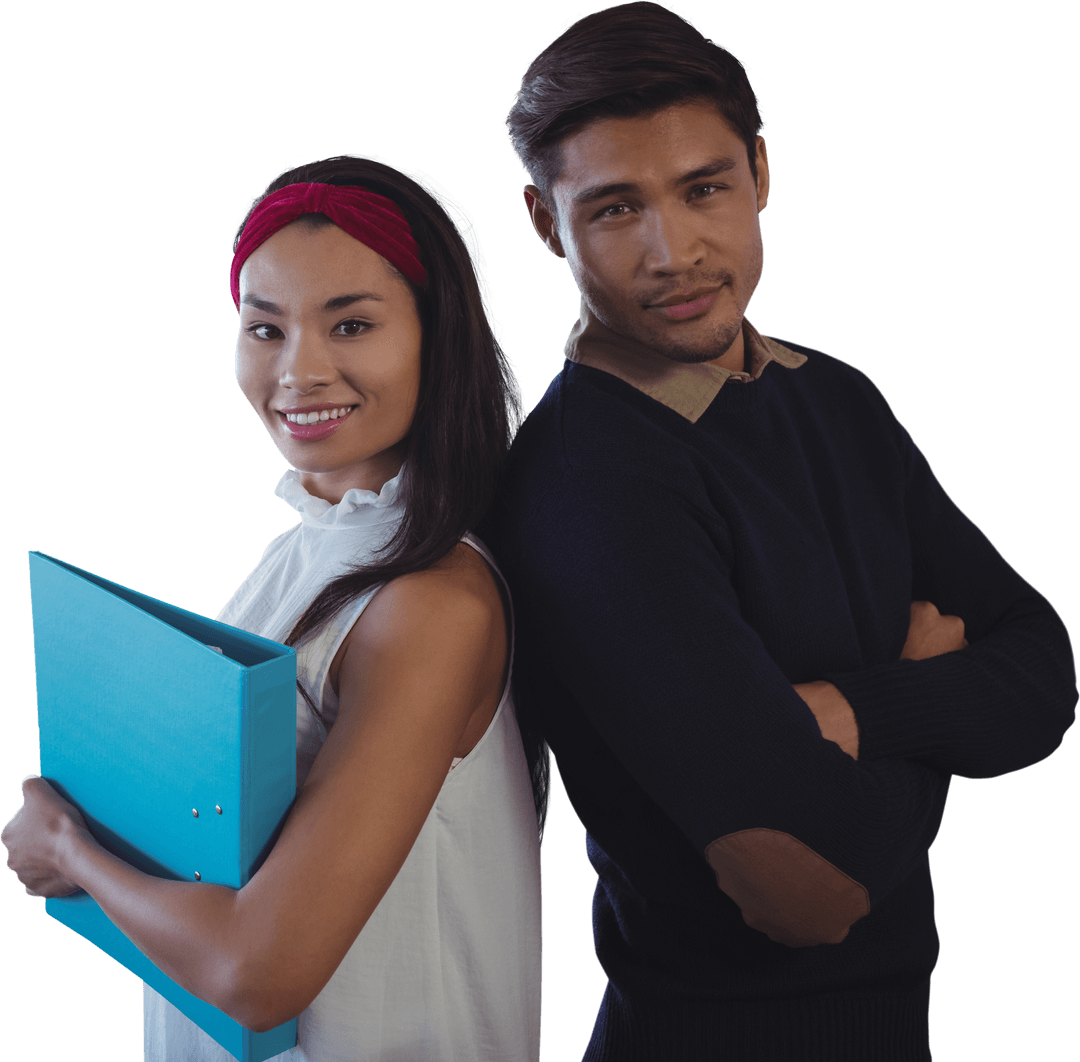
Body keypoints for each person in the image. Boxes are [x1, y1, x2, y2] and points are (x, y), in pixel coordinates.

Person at [482, 4, 1078, 1060]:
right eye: (616, 209)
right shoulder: (587, 484)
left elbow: (1044, 672)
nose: (677, 250)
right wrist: (938, 682)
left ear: (760, 169)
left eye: (704, 187)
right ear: (546, 223)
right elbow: (812, 896)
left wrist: (857, 709)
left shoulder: (835, 397)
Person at [2, 155, 542, 1062]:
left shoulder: (431, 602)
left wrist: (73, 856)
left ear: (437, 339)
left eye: (353, 324)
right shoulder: (301, 551)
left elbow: (262, 971)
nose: (300, 372)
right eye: (265, 328)